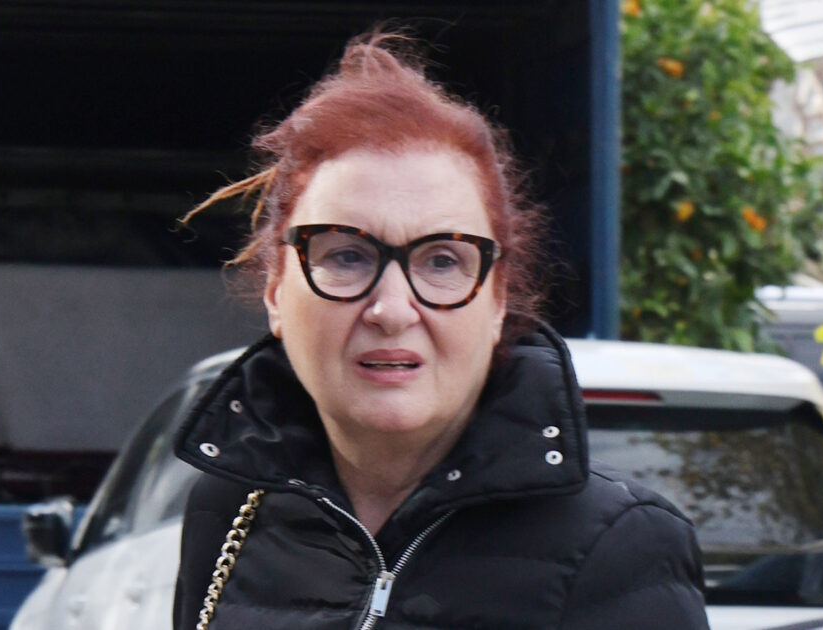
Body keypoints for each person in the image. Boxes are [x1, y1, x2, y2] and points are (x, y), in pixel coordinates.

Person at [172, 30, 709, 629]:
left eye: (442, 261)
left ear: (498, 299)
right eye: (346, 255)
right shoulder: (231, 517)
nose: (392, 310)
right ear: (277, 291)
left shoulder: (619, 546)